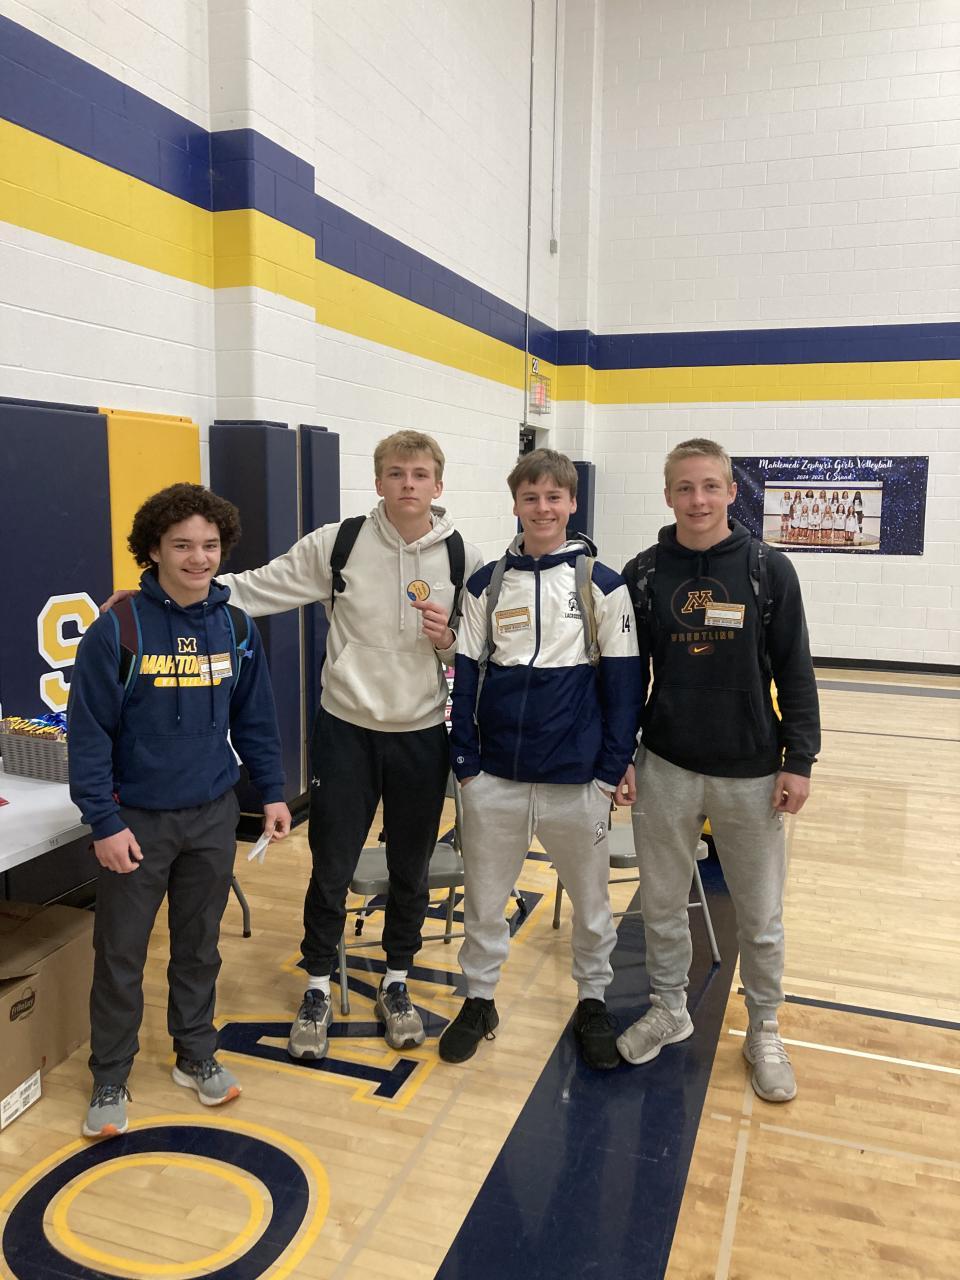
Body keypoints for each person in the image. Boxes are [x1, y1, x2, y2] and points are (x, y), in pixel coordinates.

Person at [214, 432, 483, 1058]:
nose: (408, 484)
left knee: (410, 868)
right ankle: (315, 984)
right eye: (397, 473)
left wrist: (447, 642)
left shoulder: (464, 558)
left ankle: (396, 980)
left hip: (421, 735)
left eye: (420, 474)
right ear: (379, 481)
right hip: (345, 732)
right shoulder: (339, 543)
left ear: (438, 485)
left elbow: (476, 652)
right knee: (331, 866)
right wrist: (172, 592)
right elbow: (258, 587)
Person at [69, 484, 291, 1139]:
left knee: (199, 947)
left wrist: (273, 793)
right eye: (182, 545)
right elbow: (88, 736)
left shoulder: (236, 627)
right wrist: (104, 822)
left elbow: (257, 720)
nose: (198, 558)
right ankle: (110, 1075)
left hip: (213, 816)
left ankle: (195, 1054)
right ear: (155, 550)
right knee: (121, 956)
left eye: (210, 545)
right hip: (136, 822)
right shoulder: (118, 629)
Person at [618, 439, 820, 1102]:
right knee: (661, 905)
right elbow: (626, 678)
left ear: (733, 492)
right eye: (684, 487)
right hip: (666, 765)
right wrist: (621, 756)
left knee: (760, 916)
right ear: (668, 495)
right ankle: (669, 1008)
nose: (698, 499)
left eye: (710, 486)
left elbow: (795, 669)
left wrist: (799, 760)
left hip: (751, 771)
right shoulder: (644, 574)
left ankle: (764, 1028)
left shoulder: (768, 569)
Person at [441, 449, 642, 1070]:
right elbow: (464, 674)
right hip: (495, 778)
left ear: (572, 503)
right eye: (531, 497)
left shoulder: (603, 585)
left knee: (592, 903)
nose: (543, 508)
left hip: (578, 781)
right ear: (516, 504)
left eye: (554, 497)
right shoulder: (485, 584)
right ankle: (479, 998)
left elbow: (625, 684)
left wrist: (610, 769)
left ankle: (592, 999)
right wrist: (466, 764)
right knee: (484, 899)